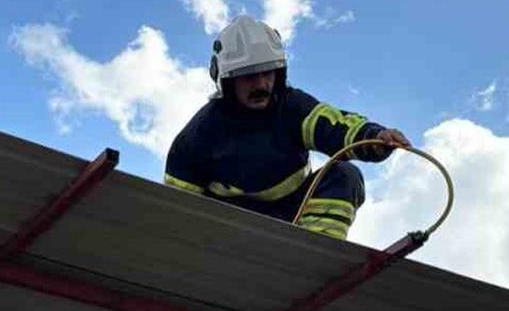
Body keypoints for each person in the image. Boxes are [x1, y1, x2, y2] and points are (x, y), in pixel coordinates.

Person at [164, 15, 410, 240]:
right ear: (227, 81)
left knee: (345, 175)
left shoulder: (293, 107)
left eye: (268, 73)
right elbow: (178, 206)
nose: (261, 84)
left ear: (279, 73)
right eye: (249, 76)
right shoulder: (198, 136)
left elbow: (335, 127)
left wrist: (374, 137)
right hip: (232, 227)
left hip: (294, 212)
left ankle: (316, 253)